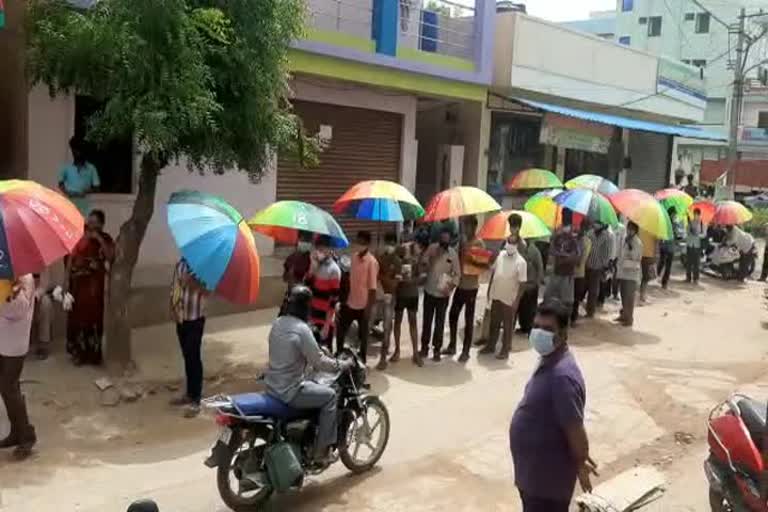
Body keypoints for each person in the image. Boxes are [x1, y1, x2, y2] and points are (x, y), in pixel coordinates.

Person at [509, 299, 596, 511]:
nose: (539, 333)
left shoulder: (562, 377)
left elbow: (575, 428)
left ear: (563, 334)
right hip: (534, 477)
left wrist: (581, 460)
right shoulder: (550, 360)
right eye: (536, 326)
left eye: (547, 329)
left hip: (546, 485)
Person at [265, 285, 352, 464]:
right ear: (305, 306)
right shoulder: (302, 329)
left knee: (312, 383)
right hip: (290, 391)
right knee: (330, 396)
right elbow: (319, 362)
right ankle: (322, 451)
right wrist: (341, 365)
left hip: (272, 386)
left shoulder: (278, 323)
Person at [66, 209, 115, 366]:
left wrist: (99, 239)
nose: (91, 225)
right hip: (79, 286)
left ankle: (94, 355)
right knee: (78, 319)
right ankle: (79, 354)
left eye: (95, 222)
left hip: (95, 288)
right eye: (90, 221)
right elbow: (70, 259)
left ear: (101, 224)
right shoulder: (79, 237)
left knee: (94, 319)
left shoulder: (106, 238)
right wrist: (65, 281)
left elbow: (110, 257)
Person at [0, 274, 37, 460]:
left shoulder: (25, 278)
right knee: (8, 389)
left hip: (15, 344)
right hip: (2, 340)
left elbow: (19, 310)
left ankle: (27, 436)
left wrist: (5, 292)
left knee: (9, 387)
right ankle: (16, 432)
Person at [169, 258, 208, 418]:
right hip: (181, 317)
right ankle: (189, 393)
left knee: (194, 356)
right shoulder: (180, 264)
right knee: (187, 356)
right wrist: (171, 307)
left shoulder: (205, 267)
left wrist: (192, 282)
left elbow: (208, 291)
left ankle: (196, 398)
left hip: (195, 318)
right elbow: (174, 287)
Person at [447, 216, 489, 362]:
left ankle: (466, 351)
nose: (466, 229)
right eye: (464, 226)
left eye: (468, 226)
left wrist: (468, 254)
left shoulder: (479, 243)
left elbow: (480, 267)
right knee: (453, 315)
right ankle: (452, 344)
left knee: (468, 319)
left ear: (474, 226)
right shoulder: (462, 242)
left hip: (471, 287)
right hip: (461, 284)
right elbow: (457, 262)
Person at [481, 230, 527, 360]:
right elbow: (494, 271)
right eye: (508, 242)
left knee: (507, 325)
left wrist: (517, 301)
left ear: (517, 245)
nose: (510, 245)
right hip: (497, 294)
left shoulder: (521, 262)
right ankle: (491, 345)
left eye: (512, 243)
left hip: (509, 298)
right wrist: (490, 291)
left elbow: (522, 284)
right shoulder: (501, 255)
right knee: (494, 322)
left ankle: (505, 350)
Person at [337, 231, 378, 364]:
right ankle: (339, 354)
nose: (358, 245)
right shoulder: (353, 257)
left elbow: (372, 289)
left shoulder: (372, 262)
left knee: (363, 335)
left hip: (363, 306)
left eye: (361, 242)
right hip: (350, 302)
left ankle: (362, 361)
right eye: (357, 241)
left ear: (367, 244)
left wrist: (368, 309)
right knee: (341, 330)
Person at [421, 226, 460, 362]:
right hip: (429, 291)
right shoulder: (432, 249)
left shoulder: (453, 254)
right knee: (427, 321)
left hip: (443, 295)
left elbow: (457, 275)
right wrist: (431, 259)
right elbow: (423, 264)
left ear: (449, 240)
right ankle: (424, 348)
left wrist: (450, 287)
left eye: (447, 239)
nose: (444, 241)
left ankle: (437, 349)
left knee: (440, 323)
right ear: (439, 238)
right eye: (442, 238)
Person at [305, 235, 341, 350]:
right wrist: (312, 270)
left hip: (325, 319)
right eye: (317, 249)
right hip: (312, 315)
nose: (319, 252)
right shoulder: (315, 265)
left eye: (322, 249)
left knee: (325, 351)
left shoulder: (334, 270)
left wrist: (327, 324)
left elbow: (334, 300)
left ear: (329, 250)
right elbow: (306, 288)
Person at [393, 237, 425, 367]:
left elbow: (422, 277)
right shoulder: (397, 261)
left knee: (413, 323)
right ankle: (397, 350)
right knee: (398, 322)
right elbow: (392, 276)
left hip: (412, 295)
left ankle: (415, 354)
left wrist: (412, 281)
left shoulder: (415, 261)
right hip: (400, 294)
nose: (405, 249)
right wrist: (397, 277)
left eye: (407, 247)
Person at [543, 212, 581, 317]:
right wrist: (562, 255)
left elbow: (577, 257)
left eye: (567, 225)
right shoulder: (557, 237)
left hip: (567, 275)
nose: (565, 227)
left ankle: (565, 323)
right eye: (564, 224)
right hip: (556, 272)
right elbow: (551, 251)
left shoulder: (574, 240)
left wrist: (563, 258)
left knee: (566, 302)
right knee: (549, 297)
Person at [375, 232, 401, 370]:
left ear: (395, 245)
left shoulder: (397, 262)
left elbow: (394, 284)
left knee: (387, 327)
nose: (389, 246)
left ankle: (383, 358)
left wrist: (382, 276)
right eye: (387, 243)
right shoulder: (379, 258)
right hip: (379, 296)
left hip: (390, 298)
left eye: (392, 244)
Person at [58, 137, 100, 216]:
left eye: (79, 150)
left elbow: (97, 187)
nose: (76, 153)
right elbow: (60, 184)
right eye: (74, 151)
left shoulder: (91, 168)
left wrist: (85, 191)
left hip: (85, 205)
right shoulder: (66, 167)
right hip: (69, 205)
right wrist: (67, 192)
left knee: (82, 225)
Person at [615, 221, 644, 328]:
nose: (629, 231)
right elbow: (620, 252)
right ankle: (623, 315)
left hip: (631, 273)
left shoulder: (637, 242)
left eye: (631, 229)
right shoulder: (625, 239)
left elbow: (636, 257)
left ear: (635, 231)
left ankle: (629, 318)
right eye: (628, 229)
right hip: (623, 271)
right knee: (623, 294)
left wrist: (630, 247)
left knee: (629, 297)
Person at [518, 228, 544, 335]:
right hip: (523, 283)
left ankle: (530, 327)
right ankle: (523, 326)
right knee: (522, 307)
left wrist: (537, 282)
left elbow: (540, 267)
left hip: (532, 284)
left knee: (531, 308)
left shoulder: (535, 251)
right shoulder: (520, 249)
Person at [280, 231, 313, 314]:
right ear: (298, 240)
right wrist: (290, 274)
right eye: (303, 240)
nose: (305, 243)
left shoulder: (311, 260)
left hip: (304, 300)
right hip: (290, 297)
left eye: (307, 241)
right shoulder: (290, 258)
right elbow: (284, 278)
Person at [585, 221, 612, 318]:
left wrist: (604, 265)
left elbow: (608, 252)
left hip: (597, 267)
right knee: (583, 288)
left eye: (598, 223)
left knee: (593, 290)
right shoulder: (589, 233)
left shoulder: (607, 236)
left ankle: (590, 311)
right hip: (587, 264)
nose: (595, 225)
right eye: (595, 223)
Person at [571, 221, 592, 325]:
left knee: (575, 298)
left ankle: (573, 318)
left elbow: (581, 260)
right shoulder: (576, 239)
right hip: (574, 272)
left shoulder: (586, 241)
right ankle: (571, 318)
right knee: (572, 297)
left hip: (578, 272)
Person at [657, 207, 682, 290]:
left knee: (667, 265)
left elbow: (677, 234)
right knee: (663, 262)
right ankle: (659, 277)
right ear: (670, 214)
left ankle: (664, 281)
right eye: (674, 214)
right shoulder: (665, 223)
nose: (674, 215)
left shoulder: (674, 223)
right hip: (666, 246)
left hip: (669, 246)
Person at [32, 271, 56, 360]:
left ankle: (43, 344)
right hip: (20, 295)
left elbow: (44, 285)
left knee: (46, 304)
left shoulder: (41, 261)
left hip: (37, 296)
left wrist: (35, 297)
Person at [637, 228, 657, 304]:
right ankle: (642, 296)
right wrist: (655, 255)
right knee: (646, 277)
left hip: (641, 253)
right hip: (648, 254)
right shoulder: (653, 229)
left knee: (644, 276)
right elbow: (656, 242)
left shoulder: (641, 228)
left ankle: (642, 295)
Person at [686, 208, 706, 284]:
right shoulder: (690, 222)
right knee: (689, 263)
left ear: (699, 215)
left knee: (696, 263)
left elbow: (704, 234)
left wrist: (697, 234)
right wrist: (689, 230)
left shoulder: (702, 223)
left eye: (697, 215)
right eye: (695, 214)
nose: (696, 216)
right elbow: (687, 232)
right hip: (690, 244)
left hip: (697, 245)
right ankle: (688, 277)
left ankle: (696, 278)